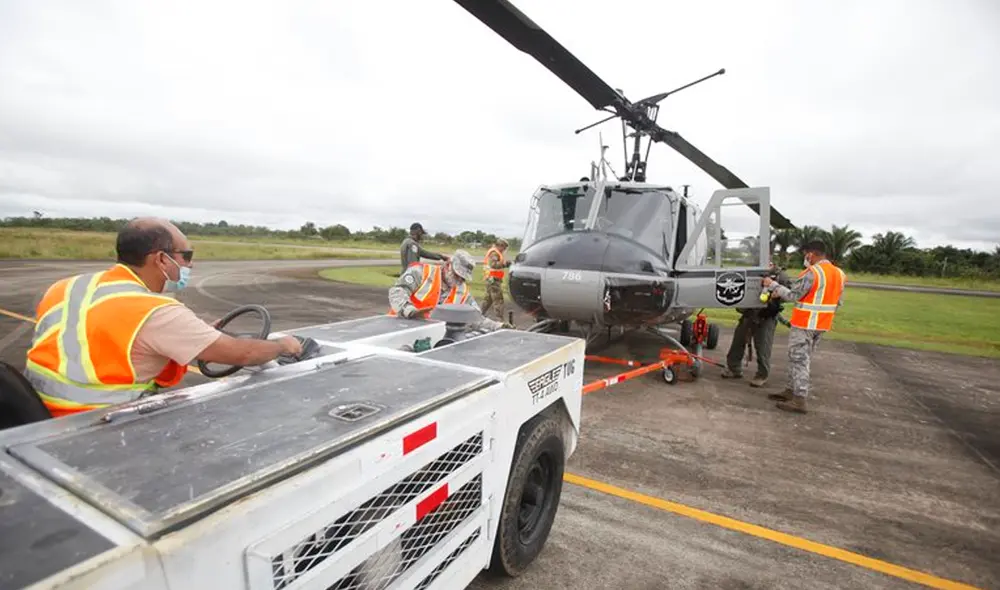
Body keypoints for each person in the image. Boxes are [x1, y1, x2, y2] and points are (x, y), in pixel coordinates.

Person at [23, 217, 303, 418]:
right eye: (186, 255)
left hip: (36, 413)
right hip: (98, 421)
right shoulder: (154, 311)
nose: (190, 264)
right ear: (160, 259)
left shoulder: (66, 286)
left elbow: (95, 336)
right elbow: (244, 354)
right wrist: (283, 346)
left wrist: (194, 334)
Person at [761, 240, 847, 414]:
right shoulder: (839, 274)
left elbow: (793, 295)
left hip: (805, 323)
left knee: (799, 360)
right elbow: (839, 302)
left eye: (805, 254)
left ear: (811, 254)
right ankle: (790, 391)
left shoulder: (812, 272)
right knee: (800, 358)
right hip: (821, 324)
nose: (805, 258)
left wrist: (773, 285)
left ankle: (799, 399)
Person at [388, 249, 512, 332]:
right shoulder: (421, 273)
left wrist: (498, 326)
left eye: (462, 278)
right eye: (457, 275)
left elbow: (475, 317)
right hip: (400, 327)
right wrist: (409, 310)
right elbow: (398, 291)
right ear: (448, 265)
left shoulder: (462, 291)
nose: (459, 280)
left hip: (429, 334)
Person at [721, 261, 790, 387]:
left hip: (766, 317)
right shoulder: (750, 271)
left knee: (763, 347)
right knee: (738, 342)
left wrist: (777, 295)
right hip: (748, 314)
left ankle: (762, 374)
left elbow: (789, 294)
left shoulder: (780, 276)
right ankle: (733, 368)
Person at [480, 238, 512, 321]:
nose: (504, 250)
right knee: (498, 299)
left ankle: (479, 314)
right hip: (493, 280)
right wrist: (505, 264)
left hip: (491, 279)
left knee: (488, 299)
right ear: (500, 246)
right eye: (504, 248)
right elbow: (493, 265)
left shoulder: (495, 252)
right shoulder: (494, 253)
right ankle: (500, 319)